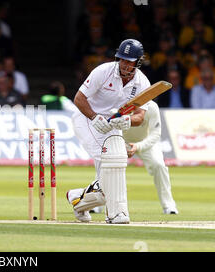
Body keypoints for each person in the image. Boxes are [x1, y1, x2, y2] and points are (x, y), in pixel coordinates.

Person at [66, 39, 151, 224]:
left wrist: (126, 120)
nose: (124, 65)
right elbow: (79, 98)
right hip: (87, 119)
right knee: (113, 160)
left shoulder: (142, 82)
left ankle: (77, 199)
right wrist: (95, 117)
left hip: (114, 124)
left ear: (138, 62)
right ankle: (115, 213)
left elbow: (140, 117)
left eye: (129, 61)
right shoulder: (103, 72)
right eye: (122, 60)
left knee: (107, 179)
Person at [124, 100, 178, 214]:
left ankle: (169, 205)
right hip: (121, 140)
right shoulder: (120, 103)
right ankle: (97, 203)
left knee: (159, 165)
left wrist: (138, 146)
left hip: (146, 142)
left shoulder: (152, 107)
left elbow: (155, 134)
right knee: (108, 165)